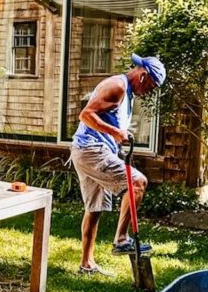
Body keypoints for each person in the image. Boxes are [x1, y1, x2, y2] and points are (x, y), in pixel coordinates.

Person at [70, 53, 166, 275]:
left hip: (88, 150)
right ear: (143, 77)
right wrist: (116, 133)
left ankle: (87, 264)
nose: (148, 93)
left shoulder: (126, 91)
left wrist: (118, 144)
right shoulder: (117, 86)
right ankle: (122, 239)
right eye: (150, 87)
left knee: (94, 208)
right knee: (138, 182)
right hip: (91, 150)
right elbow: (86, 115)